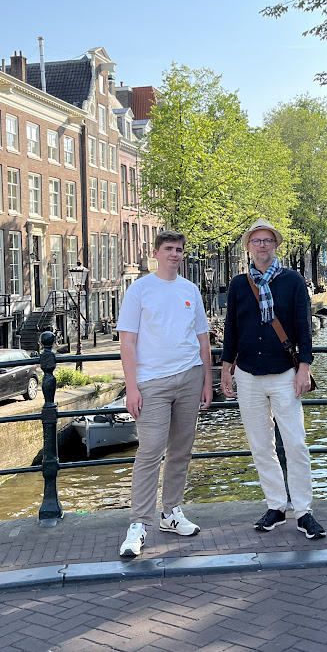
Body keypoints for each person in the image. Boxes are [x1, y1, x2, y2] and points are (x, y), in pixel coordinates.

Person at [221, 218, 326, 539]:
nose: (262, 245)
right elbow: (231, 329)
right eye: (257, 240)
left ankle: (304, 511)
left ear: (276, 245)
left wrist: (304, 367)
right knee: (260, 445)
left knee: (295, 443)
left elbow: (304, 327)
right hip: (248, 374)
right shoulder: (239, 284)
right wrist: (226, 368)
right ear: (248, 246)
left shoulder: (292, 281)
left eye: (268, 240)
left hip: (284, 373)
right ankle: (276, 506)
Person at [116, 231, 213, 557]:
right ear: (156, 253)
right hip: (152, 382)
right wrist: (132, 388)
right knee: (150, 450)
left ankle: (171, 512)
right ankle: (139, 523)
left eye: (179, 250)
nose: (175, 254)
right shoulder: (139, 290)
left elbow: (202, 339)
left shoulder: (190, 290)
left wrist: (206, 381)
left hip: (189, 377)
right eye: (169, 249)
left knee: (181, 450)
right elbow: (127, 342)